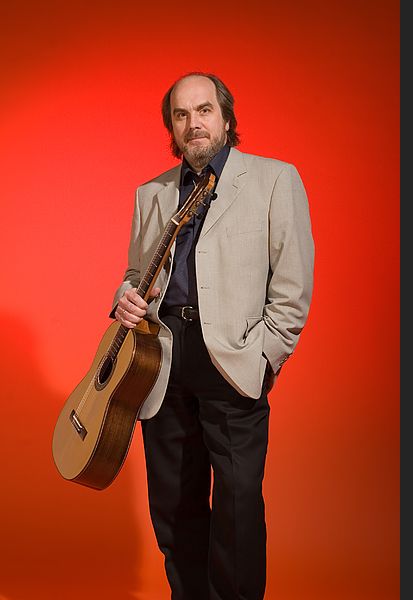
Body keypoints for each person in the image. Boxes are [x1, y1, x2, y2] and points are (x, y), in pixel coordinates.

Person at [111, 72, 314, 600]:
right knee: (174, 508)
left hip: (236, 362)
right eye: (181, 116)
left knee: (237, 507)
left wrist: (265, 357)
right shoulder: (150, 193)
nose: (193, 124)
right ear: (171, 129)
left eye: (203, 111)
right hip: (160, 364)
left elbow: (291, 287)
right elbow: (137, 274)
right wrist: (125, 297)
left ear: (226, 118)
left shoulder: (274, 179)